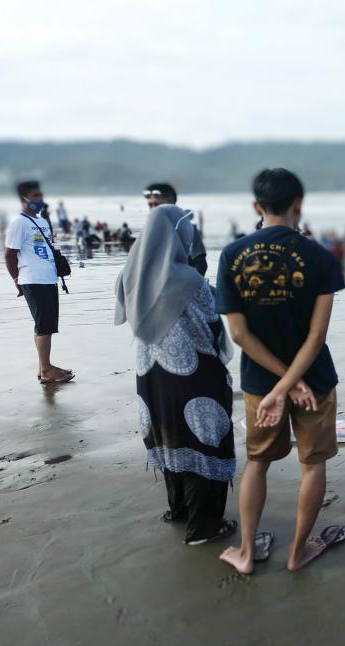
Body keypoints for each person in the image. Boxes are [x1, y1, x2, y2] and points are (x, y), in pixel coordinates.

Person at [215, 168, 345, 574]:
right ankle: (297, 553)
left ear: (256, 207)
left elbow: (238, 334)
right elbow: (316, 335)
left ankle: (246, 554)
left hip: (260, 383)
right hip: (315, 382)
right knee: (313, 464)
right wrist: (293, 385)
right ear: (298, 205)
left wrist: (277, 387)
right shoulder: (320, 257)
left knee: (257, 460)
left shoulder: (232, 255)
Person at [114, 205, 237, 544]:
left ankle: (179, 509)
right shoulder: (188, 280)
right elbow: (214, 328)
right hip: (193, 376)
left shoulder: (129, 276)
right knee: (202, 439)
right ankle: (203, 527)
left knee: (169, 436)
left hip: (149, 379)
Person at [4, 180, 73, 384]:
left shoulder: (41, 221)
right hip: (32, 280)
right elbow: (9, 255)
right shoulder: (18, 222)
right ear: (23, 198)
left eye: (40, 195)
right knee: (45, 326)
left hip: (48, 279)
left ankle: (43, 366)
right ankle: (46, 369)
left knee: (45, 325)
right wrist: (17, 279)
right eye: (35, 196)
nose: (39, 199)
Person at [144, 182, 208, 276]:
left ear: (171, 202)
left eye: (157, 205)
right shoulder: (148, 231)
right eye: (150, 205)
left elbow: (201, 264)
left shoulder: (188, 230)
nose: (154, 209)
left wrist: (191, 284)